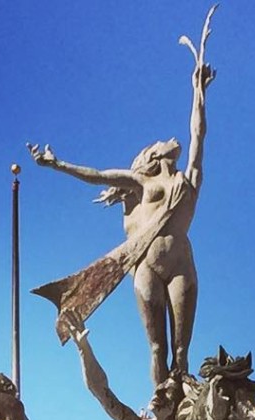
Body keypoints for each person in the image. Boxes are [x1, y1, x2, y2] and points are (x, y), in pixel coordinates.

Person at [28, 7, 217, 385]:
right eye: (162, 142)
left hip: (182, 265)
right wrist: (56, 163)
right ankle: (160, 399)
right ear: (154, 155)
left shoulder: (189, 180)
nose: (170, 140)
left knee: (181, 352)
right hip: (145, 265)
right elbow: (98, 176)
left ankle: (181, 395)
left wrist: (198, 91)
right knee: (157, 349)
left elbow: (198, 135)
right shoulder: (140, 183)